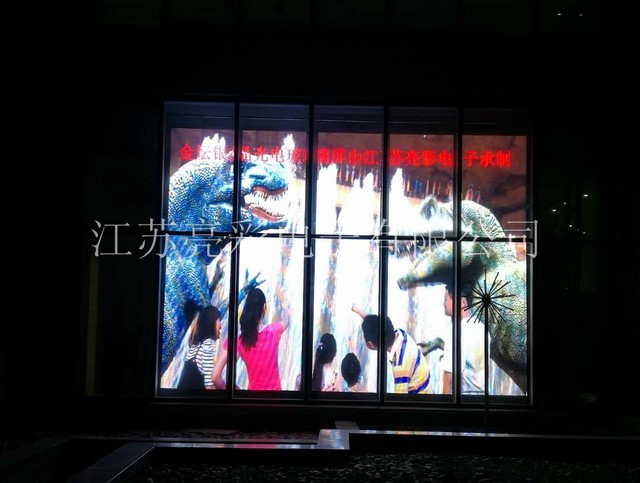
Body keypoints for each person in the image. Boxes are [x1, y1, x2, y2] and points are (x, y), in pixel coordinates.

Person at [211, 288, 289, 390]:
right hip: (276, 398)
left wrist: (237, 391)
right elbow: (286, 321)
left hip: (251, 398)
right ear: (264, 307)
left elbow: (215, 376)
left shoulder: (240, 341)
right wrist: (286, 307)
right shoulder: (274, 331)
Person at [353, 305, 430, 394]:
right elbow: (376, 325)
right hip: (422, 383)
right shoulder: (401, 334)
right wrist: (359, 311)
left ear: (370, 344)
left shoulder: (400, 366)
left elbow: (399, 399)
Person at [444, 285, 485, 395]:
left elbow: (449, 379)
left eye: (446, 299)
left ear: (462, 302)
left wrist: (443, 403)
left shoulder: (456, 332)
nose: (443, 303)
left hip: (462, 400)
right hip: (481, 400)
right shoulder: (482, 328)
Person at [178, 306, 221, 389]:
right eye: (219, 320)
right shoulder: (208, 344)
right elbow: (209, 384)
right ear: (212, 322)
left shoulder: (196, 345)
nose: (221, 325)